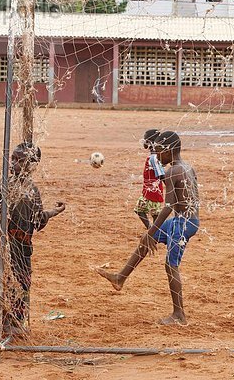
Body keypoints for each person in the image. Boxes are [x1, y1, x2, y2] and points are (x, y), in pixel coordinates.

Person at [96, 131, 199, 326]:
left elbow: (168, 206)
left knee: (170, 265)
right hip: (188, 220)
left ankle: (179, 315)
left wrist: (151, 230)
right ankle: (120, 277)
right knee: (146, 242)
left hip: (182, 223)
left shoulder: (172, 172)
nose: (157, 156)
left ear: (168, 150)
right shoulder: (187, 167)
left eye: (159, 151)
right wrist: (151, 233)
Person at [0, 142, 65, 340]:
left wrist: (55, 212)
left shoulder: (32, 191)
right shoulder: (3, 184)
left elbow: (38, 218)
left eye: (19, 160)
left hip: (23, 246)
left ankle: (17, 323)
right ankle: (5, 323)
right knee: (4, 281)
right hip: (3, 245)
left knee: (22, 283)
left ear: (31, 165)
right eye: (13, 159)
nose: (14, 163)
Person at [134, 129, 165, 229]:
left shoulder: (154, 158)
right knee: (141, 210)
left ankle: (154, 232)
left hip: (153, 191)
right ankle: (152, 230)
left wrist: (169, 186)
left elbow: (161, 175)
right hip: (150, 191)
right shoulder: (155, 157)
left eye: (145, 140)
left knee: (153, 214)